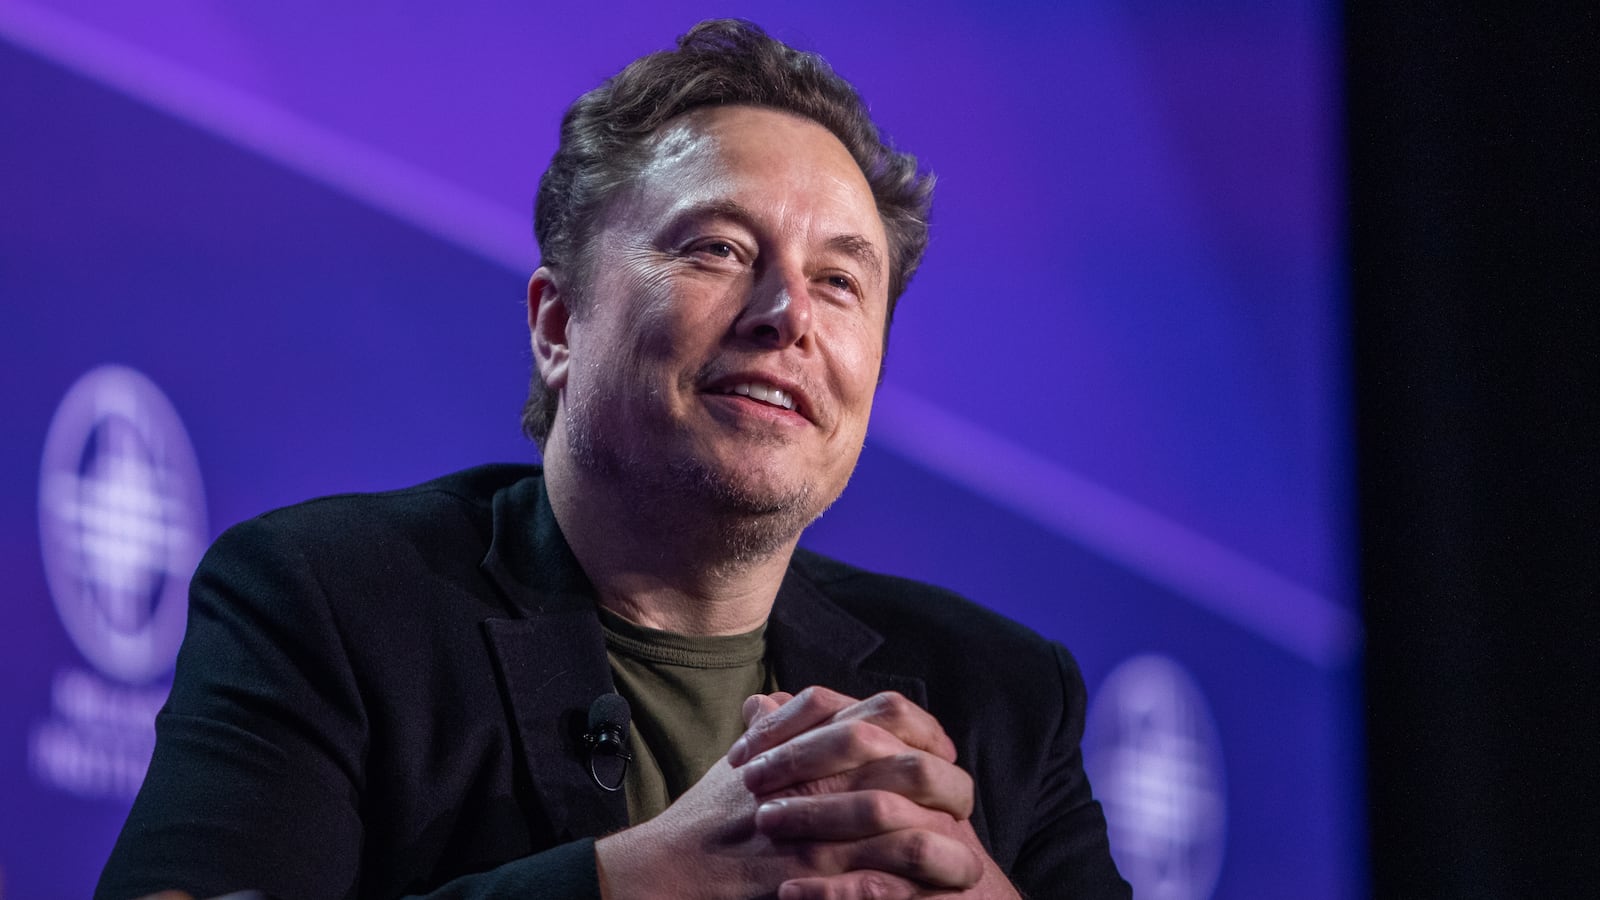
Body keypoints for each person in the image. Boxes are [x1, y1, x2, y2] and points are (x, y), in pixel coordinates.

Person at [96, 19, 1129, 900]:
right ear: (557, 326)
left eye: (840, 281)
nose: (788, 318)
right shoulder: (328, 599)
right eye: (717, 249)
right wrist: (636, 879)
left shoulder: (1000, 696)